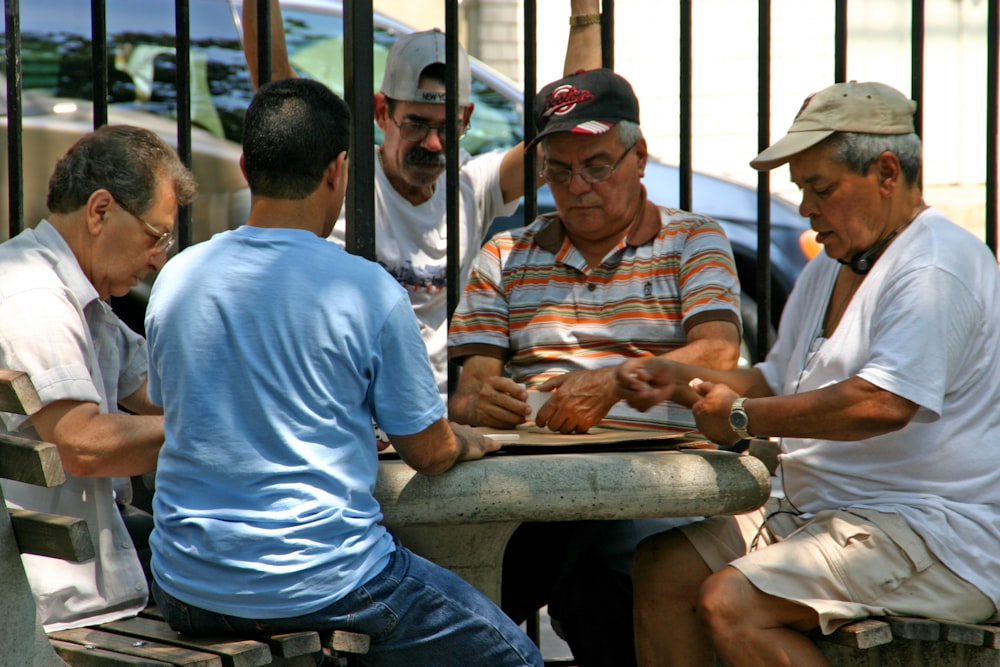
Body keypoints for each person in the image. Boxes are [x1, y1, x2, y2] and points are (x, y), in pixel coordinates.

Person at [143, 77, 543, 667]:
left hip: (185, 588)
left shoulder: (176, 279)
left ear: (247, 167)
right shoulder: (366, 291)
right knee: (518, 657)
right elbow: (428, 452)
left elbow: (178, 405)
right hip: (326, 584)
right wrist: (470, 440)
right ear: (338, 170)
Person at [617, 81, 1000, 667]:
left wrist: (741, 417)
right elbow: (778, 379)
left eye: (820, 188)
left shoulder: (934, 266)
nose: (805, 208)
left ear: (887, 173)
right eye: (801, 189)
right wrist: (673, 374)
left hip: (937, 534)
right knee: (661, 571)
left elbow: (879, 403)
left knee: (731, 602)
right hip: (819, 512)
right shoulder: (834, 261)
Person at [447, 68, 743, 666]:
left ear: (639, 156)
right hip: (528, 493)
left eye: (598, 165)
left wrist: (614, 380)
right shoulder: (505, 254)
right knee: (457, 588)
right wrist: (483, 404)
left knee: (606, 571)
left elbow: (717, 355)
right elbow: (468, 391)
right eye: (559, 169)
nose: (578, 186)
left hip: (655, 488)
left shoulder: (693, 240)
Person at [242, 0, 603, 403]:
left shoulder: (471, 185)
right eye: (415, 124)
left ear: (466, 119)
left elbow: (566, 124)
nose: (432, 144)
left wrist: (585, 13)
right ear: (382, 111)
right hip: (350, 410)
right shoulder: (344, 177)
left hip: (437, 416)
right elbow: (275, 84)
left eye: (448, 127)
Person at [0, 124, 197, 630]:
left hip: (77, 572)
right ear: (100, 210)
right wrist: (214, 428)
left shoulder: (78, 295)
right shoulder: (32, 297)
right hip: (55, 596)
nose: (161, 256)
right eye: (156, 235)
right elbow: (85, 444)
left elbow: (159, 387)